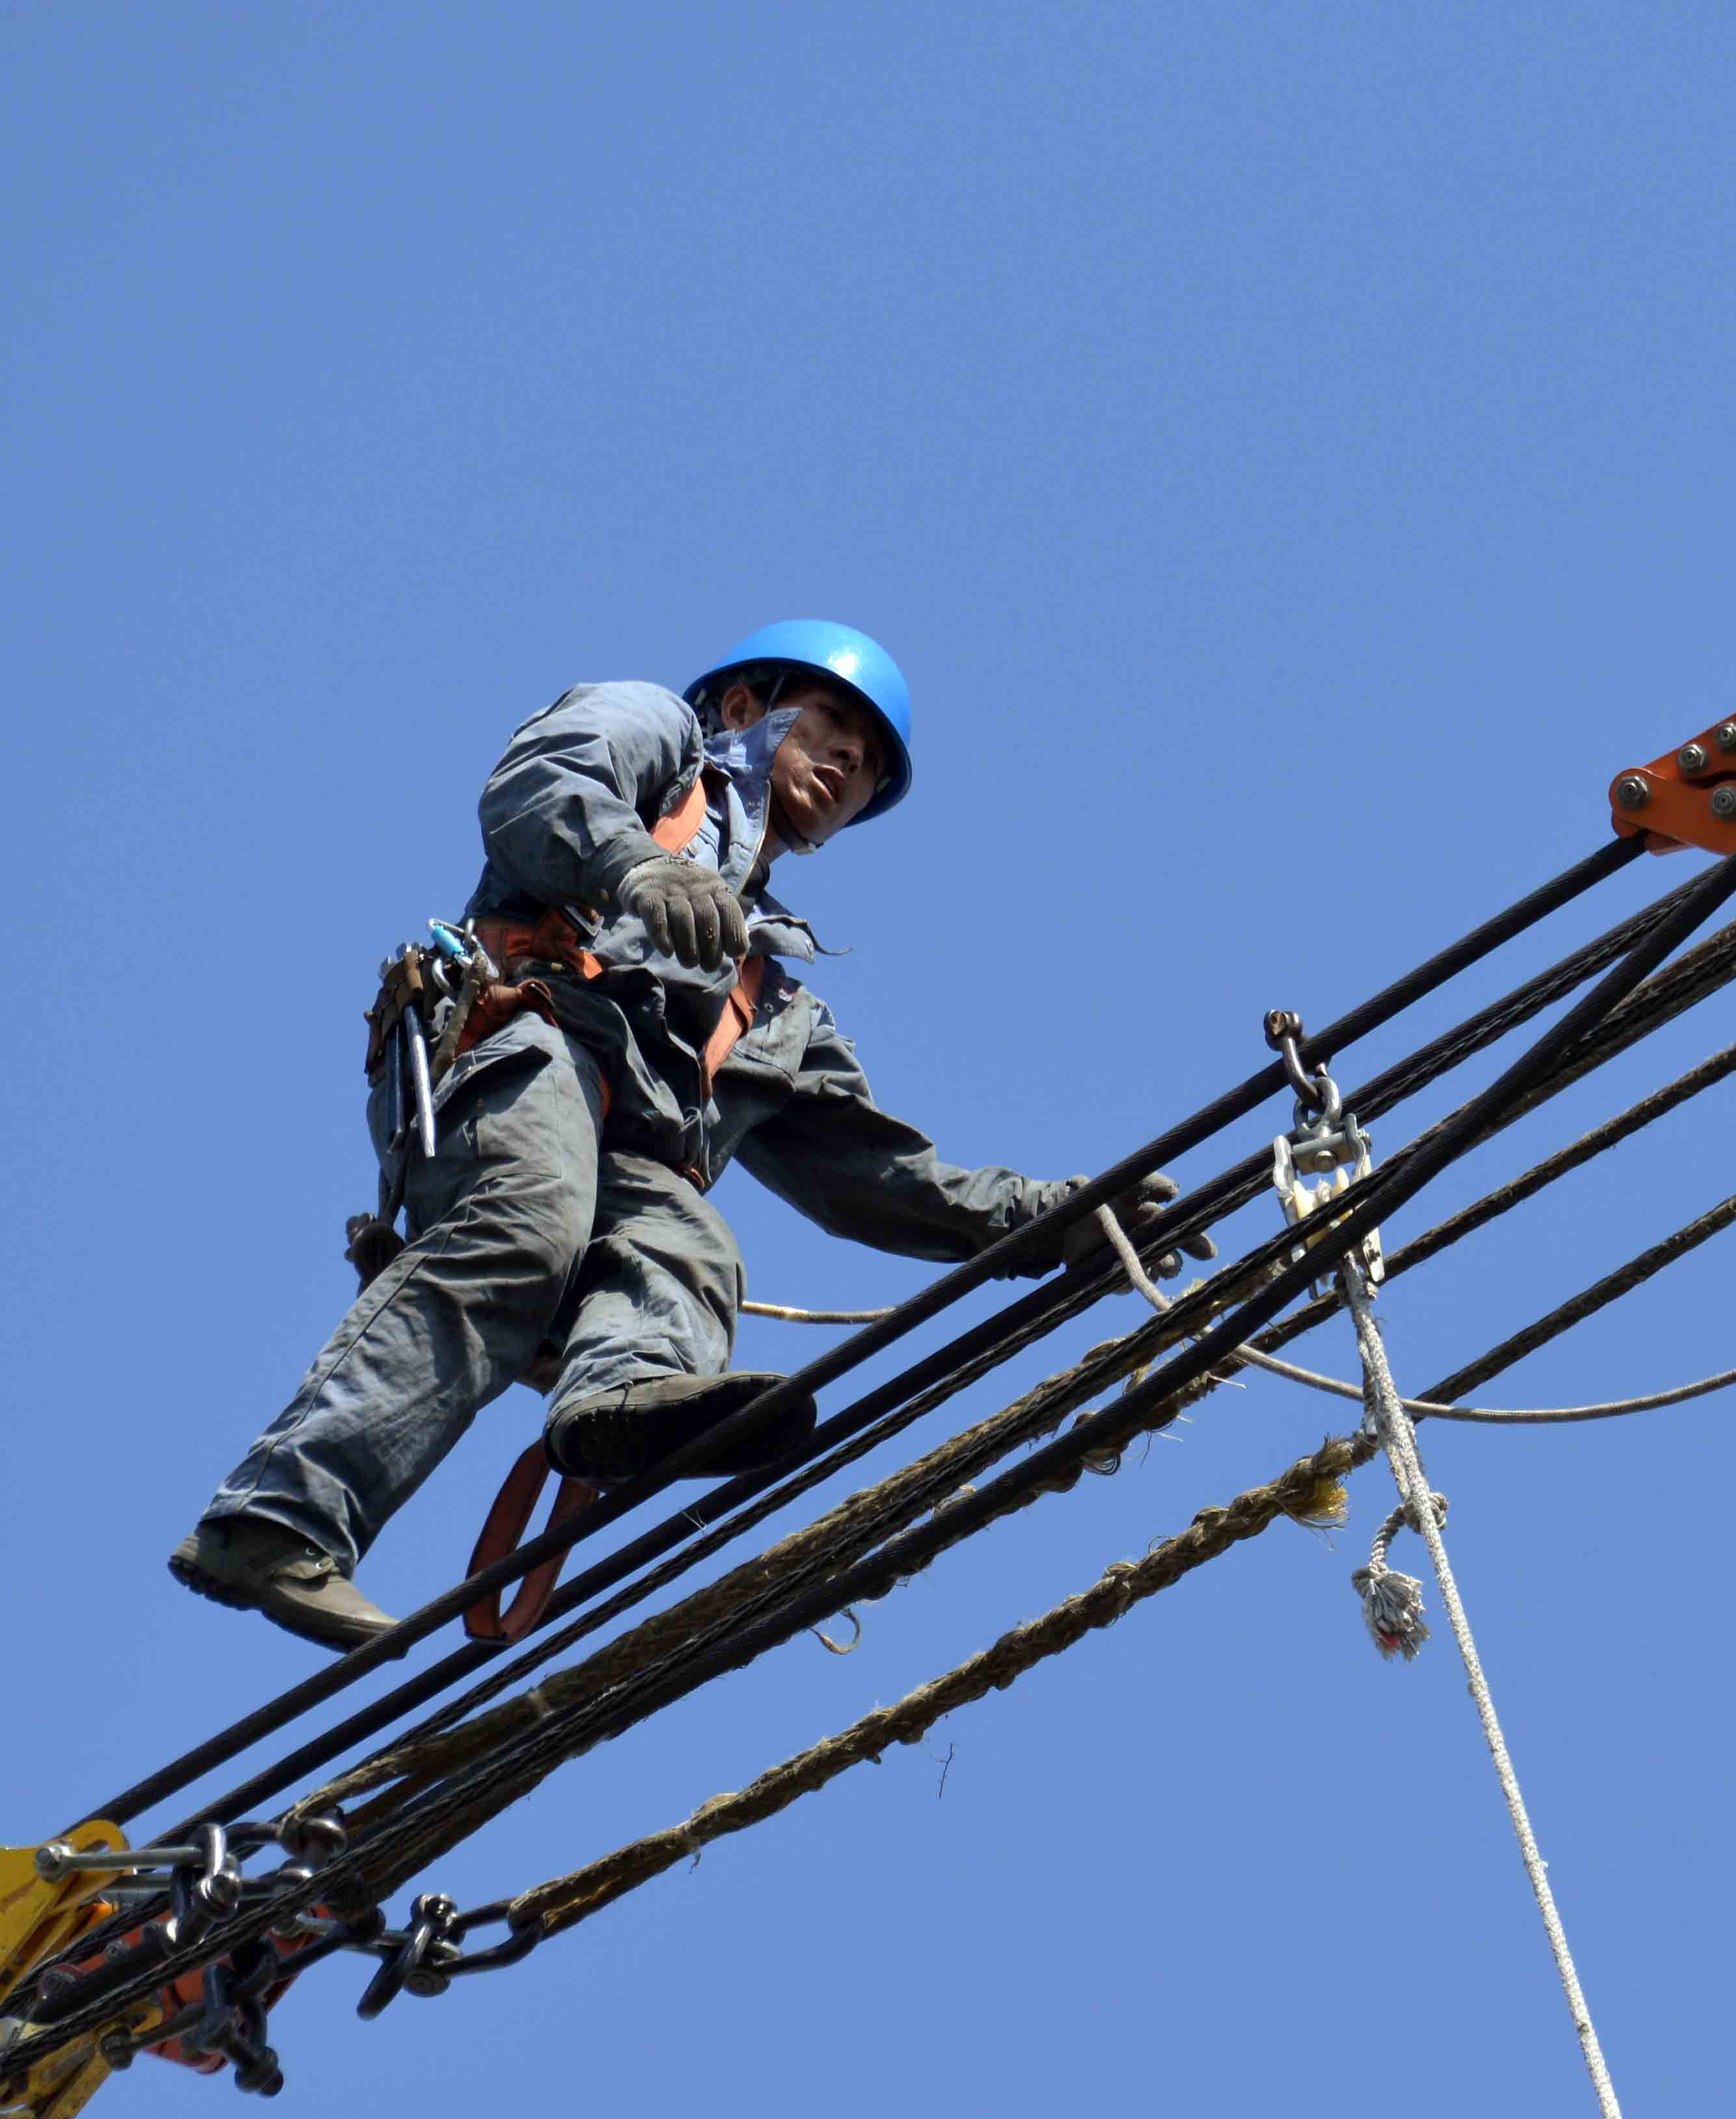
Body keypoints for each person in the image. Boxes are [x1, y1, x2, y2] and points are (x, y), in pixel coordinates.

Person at [171, 621, 1194, 1649]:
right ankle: (275, 1522)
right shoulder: (661, 744)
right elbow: (537, 785)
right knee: (528, 1220)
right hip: (522, 1038)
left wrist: (1054, 1221)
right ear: (748, 706)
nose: (847, 763)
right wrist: (633, 868)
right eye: (834, 724)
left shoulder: (771, 998)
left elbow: (883, 1172)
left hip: (616, 1150)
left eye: (870, 765)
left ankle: (623, 1398)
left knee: (691, 1245)